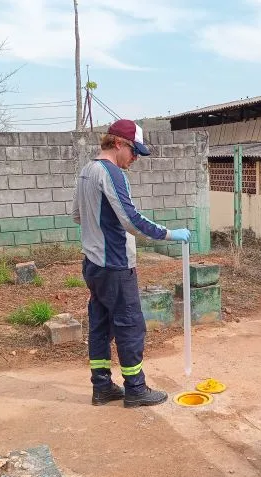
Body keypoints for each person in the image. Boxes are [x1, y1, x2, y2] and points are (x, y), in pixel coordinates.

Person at [72, 119, 191, 408]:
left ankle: (102, 387)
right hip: (115, 265)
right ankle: (135, 388)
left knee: (100, 326)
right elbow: (131, 220)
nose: (135, 158)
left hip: (93, 264)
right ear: (118, 144)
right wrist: (169, 234)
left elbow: (77, 215)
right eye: (134, 151)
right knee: (130, 326)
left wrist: (98, 230)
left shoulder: (86, 171)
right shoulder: (112, 173)